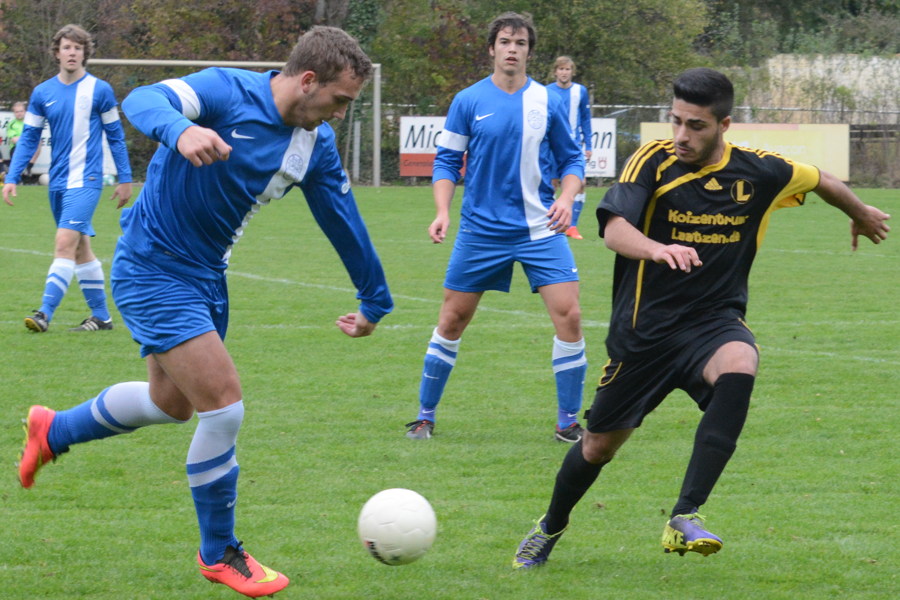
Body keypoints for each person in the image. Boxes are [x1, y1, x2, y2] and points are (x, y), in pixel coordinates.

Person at [16, 26, 393, 598]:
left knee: (169, 405)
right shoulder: (225, 91)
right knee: (224, 407)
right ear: (308, 80)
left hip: (208, 278)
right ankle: (219, 552)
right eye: (339, 100)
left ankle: (54, 429)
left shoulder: (313, 145)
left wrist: (375, 300)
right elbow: (144, 99)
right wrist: (181, 129)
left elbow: (344, 222)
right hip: (152, 265)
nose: (340, 114)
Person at [513, 67, 890, 568]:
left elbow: (821, 179)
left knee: (741, 363)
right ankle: (550, 525)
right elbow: (614, 229)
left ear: (723, 125)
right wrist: (657, 248)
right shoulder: (653, 160)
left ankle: (684, 515)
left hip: (713, 322)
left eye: (696, 126)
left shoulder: (759, 171)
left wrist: (858, 212)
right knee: (598, 447)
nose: (682, 135)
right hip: (644, 335)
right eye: (676, 121)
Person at [404, 12, 588, 443]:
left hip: (539, 229)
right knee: (452, 319)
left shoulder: (547, 100)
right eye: (505, 41)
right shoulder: (467, 100)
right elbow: (447, 161)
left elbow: (572, 160)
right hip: (480, 232)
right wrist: (442, 211)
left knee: (571, 316)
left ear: (529, 52)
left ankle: (567, 423)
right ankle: (425, 417)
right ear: (491, 48)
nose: (512, 49)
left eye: (520, 43)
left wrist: (565, 198)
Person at [2, 25, 133, 333]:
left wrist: (125, 178)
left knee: (63, 243)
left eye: (77, 47)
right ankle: (101, 317)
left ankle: (44, 313)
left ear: (85, 53)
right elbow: (29, 138)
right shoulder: (42, 92)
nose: (72, 53)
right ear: (57, 53)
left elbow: (115, 136)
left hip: (87, 180)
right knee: (79, 248)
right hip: (58, 182)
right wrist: (11, 176)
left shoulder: (100, 90)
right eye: (66, 47)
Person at [547, 56, 592, 240]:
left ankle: (572, 226)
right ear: (555, 71)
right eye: (561, 69)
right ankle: (550, 223)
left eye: (567, 69)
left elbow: (585, 119)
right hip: (552, 146)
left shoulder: (580, 91)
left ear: (572, 72)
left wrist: (589, 144)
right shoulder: (547, 91)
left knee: (580, 184)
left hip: (573, 146)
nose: (564, 72)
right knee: (551, 184)